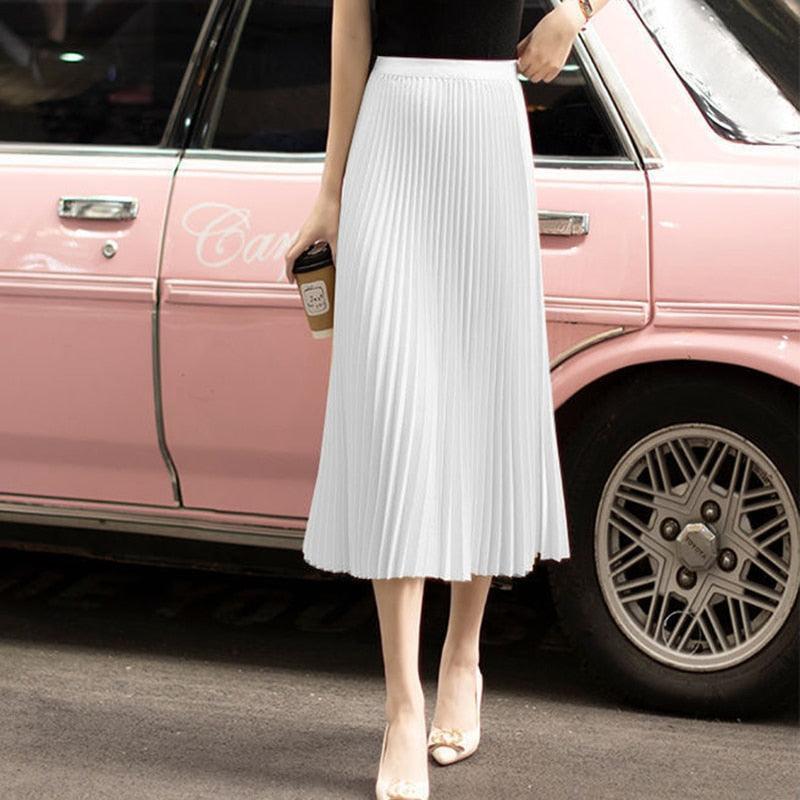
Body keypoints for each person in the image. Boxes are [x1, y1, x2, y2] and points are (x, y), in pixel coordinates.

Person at [285, 1, 611, 797]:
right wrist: (331, 191)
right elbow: (351, 27)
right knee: (394, 415)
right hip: (392, 131)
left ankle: (463, 656)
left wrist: (575, 11)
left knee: (479, 402)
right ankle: (402, 705)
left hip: (488, 131)